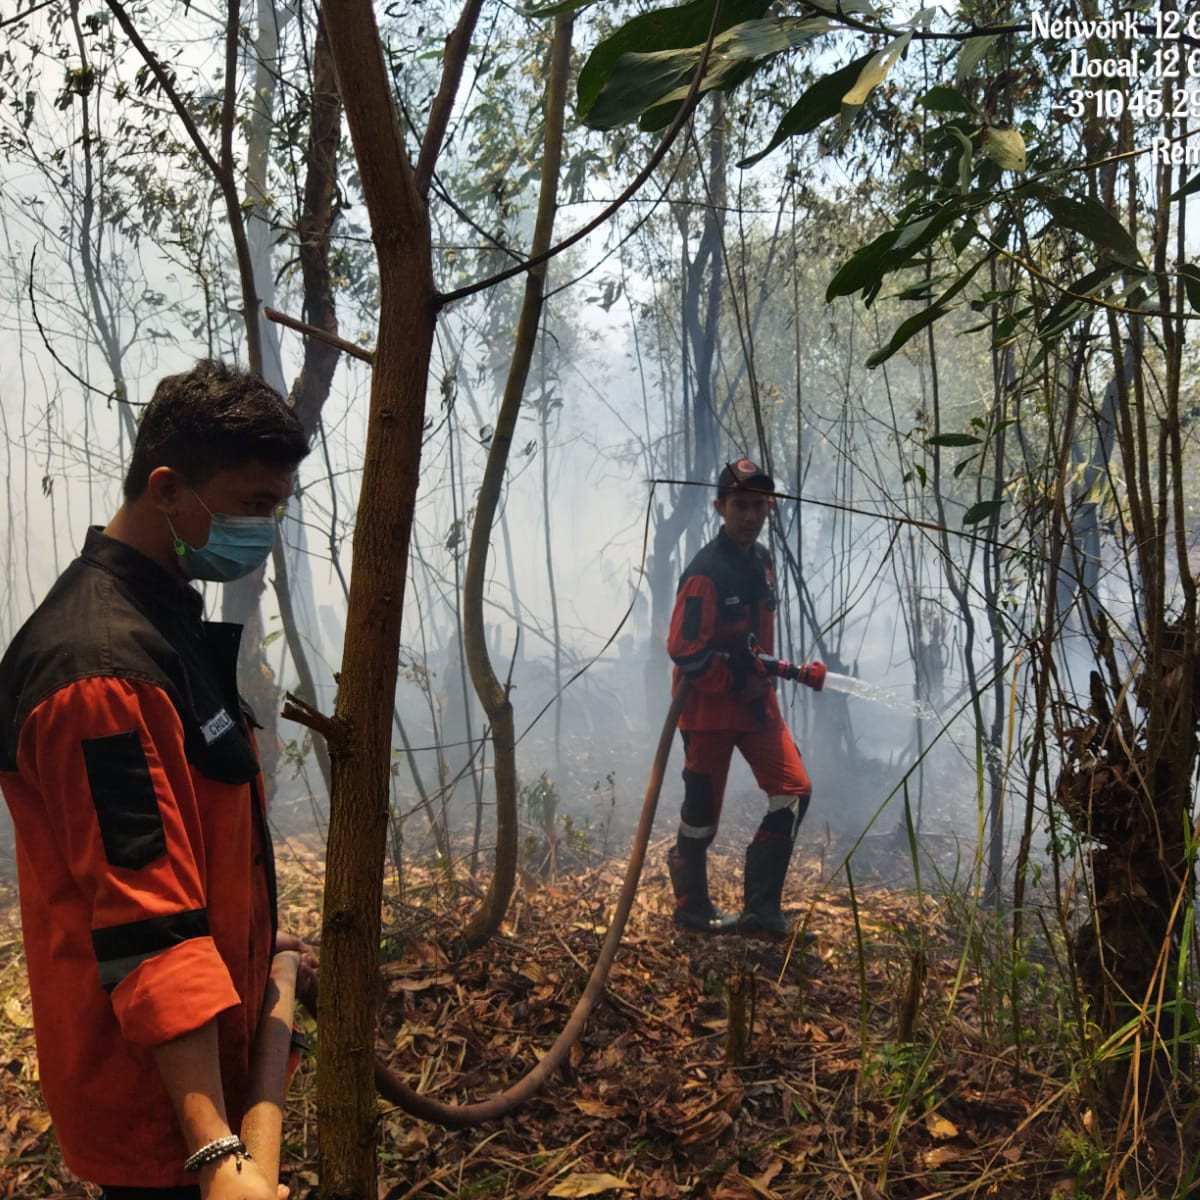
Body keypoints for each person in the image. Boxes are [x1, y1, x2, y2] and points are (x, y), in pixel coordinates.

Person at [0, 361, 313, 1200]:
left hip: (209, 1064)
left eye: (277, 508)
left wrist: (260, 953)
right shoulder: (99, 672)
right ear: (168, 489)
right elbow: (146, 919)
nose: (265, 530)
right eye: (253, 506)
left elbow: (197, 843)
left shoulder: (166, 618)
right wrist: (214, 1150)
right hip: (159, 1110)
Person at [665, 458, 825, 940]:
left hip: (758, 708)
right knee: (700, 820)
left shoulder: (764, 563)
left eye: (758, 506)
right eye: (740, 506)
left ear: (768, 507)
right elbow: (683, 650)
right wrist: (735, 683)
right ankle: (692, 907)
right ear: (720, 508)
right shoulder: (704, 573)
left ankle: (761, 911)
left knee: (794, 791)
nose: (750, 516)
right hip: (708, 710)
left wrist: (770, 674)